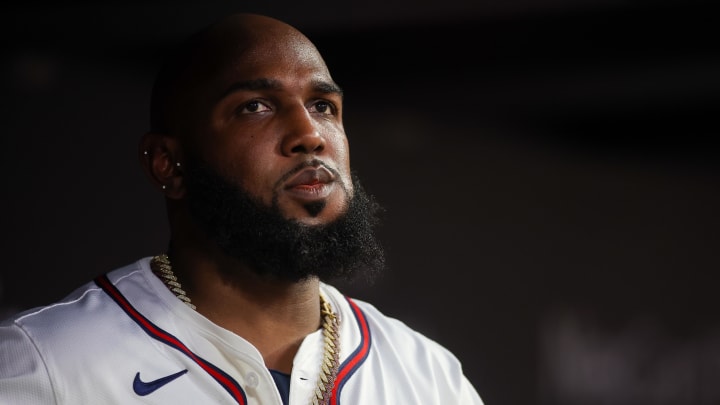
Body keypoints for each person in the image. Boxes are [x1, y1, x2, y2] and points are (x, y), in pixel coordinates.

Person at [0, 13, 484, 405]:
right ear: (169, 164)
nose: (310, 135)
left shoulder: (429, 378)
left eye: (323, 106)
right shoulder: (46, 363)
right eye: (256, 106)